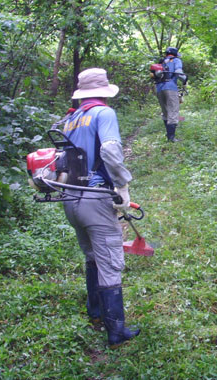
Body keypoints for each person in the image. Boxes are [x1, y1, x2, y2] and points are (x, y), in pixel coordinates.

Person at [61, 68, 139, 348]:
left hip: (70, 199)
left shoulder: (70, 119)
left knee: (92, 256)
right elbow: (109, 150)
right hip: (94, 198)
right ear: (104, 92)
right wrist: (122, 185)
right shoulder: (103, 113)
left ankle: (95, 313)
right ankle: (116, 331)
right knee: (110, 261)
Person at [155, 47, 187, 142]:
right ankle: (171, 138)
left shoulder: (161, 62)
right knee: (173, 111)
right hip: (171, 88)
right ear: (175, 54)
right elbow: (178, 72)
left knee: (165, 112)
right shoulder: (176, 60)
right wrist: (185, 80)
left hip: (159, 88)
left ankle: (169, 135)